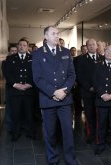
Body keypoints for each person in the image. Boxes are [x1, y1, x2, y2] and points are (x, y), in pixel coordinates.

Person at [32, 26, 76, 165]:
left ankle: (70, 159)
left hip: (65, 98)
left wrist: (64, 91)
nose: (57, 36)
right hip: (48, 98)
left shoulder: (65, 52)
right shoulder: (38, 53)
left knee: (68, 132)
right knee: (50, 133)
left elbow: (71, 74)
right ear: (46, 36)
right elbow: (37, 78)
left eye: (58, 34)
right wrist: (53, 92)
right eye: (53, 34)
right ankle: (53, 159)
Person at [4, 38, 36, 141]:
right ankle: (15, 134)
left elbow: (36, 73)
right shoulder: (10, 58)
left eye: (24, 45)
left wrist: (30, 84)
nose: (22, 47)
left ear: (27, 47)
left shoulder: (33, 58)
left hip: (29, 91)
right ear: (17, 46)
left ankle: (30, 132)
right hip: (15, 91)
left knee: (29, 113)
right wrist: (15, 84)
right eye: (20, 45)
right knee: (15, 113)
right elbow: (7, 74)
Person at [77, 39, 104, 144]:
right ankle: (91, 134)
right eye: (89, 45)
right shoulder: (81, 59)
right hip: (87, 92)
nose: (92, 46)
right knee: (89, 114)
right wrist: (89, 87)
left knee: (100, 115)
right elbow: (80, 76)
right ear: (86, 47)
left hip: (100, 92)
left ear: (97, 46)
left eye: (94, 44)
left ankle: (100, 134)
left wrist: (99, 88)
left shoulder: (103, 58)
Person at [2, 44, 18, 133]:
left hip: (20, 88)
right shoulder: (5, 62)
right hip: (10, 87)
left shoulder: (20, 60)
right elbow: (7, 75)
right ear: (9, 51)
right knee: (9, 107)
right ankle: (9, 126)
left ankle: (18, 125)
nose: (14, 52)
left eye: (16, 51)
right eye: (12, 51)